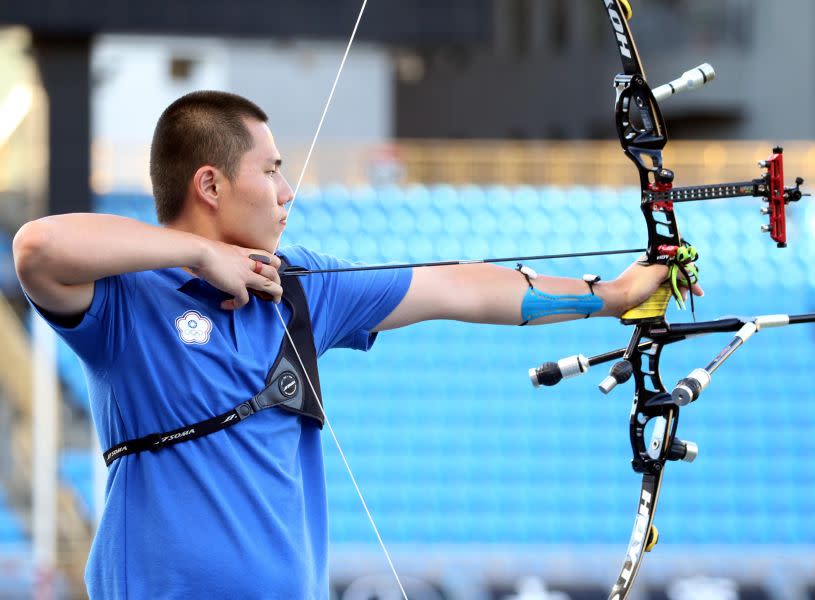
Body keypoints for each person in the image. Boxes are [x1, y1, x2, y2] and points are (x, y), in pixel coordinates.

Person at [12, 90, 701, 599]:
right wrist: (199, 253)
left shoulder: (302, 286)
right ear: (210, 184)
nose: (287, 192)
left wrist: (609, 296)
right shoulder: (130, 300)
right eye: (270, 170)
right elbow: (37, 247)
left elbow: (458, 287)